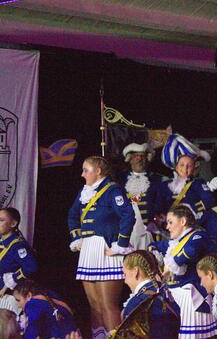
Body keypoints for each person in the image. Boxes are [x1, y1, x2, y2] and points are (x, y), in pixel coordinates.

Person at [67, 156, 135, 339]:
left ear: (98, 171)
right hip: (88, 250)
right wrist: (77, 238)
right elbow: (72, 215)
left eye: (86, 170)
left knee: (108, 305)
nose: (82, 174)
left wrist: (120, 244)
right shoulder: (84, 191)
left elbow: (128, 215)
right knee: (95, 306)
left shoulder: (112, 190)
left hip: (106, 249)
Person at [149, 205, 217, 339]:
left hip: (193, 297)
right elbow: (153, 246)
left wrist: (170, 265)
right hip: (175, 297)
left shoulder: (198, 236)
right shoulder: (174, 242)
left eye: (170, 222)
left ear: (183, 221)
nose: (167, 227)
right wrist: (156, 259)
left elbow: (190, 251)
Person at [113, 250, 180, 338]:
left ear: (135, 272)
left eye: (125, 274)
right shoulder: (166, 293)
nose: (125, 281)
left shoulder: (137, 303)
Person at [117, 143, 164, 250]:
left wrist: (156, 220)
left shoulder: (157, 179)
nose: (139, 159)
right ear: (130, 159)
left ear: (147, 159)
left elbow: (160, 204)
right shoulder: (120, 180)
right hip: (126, 231)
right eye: (136, 156)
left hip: (149, 231)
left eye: (142, 156)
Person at [0, 207, 37, 316]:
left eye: (1, 220)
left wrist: (12, 279)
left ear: (13, 224)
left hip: (8, 296)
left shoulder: (18, 245)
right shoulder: (2, 242)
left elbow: (31, 266)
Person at [13, 279, 79, 339]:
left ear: (29, 295)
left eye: (18, 300)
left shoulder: (32, 304)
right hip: (75, 333)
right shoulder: (47, 294)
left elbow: (31, 333)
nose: (18, 305)